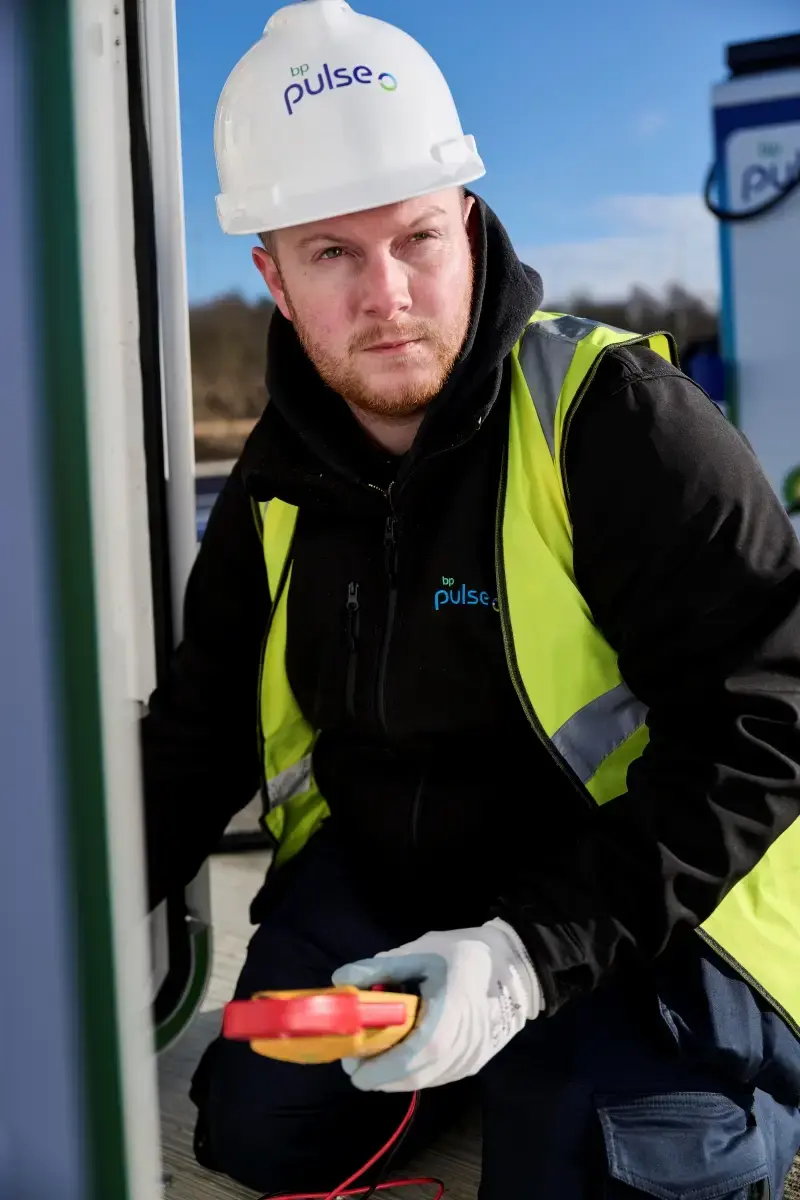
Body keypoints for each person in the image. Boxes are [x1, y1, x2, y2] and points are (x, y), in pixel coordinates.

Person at [142, 1, 800, 1195]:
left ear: (470, 222)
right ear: (273, 279)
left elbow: (765, 720)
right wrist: (46, 927)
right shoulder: (273, 489)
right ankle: (479, 1049)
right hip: (399, 877)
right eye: (332, 253)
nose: (386, 292)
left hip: (641, 895)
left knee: (597, 1167)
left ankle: (680, 1082)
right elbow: (193, 740)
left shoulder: (613, 423)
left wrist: (524, 962)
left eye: (416, 239)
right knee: (255, 1132)